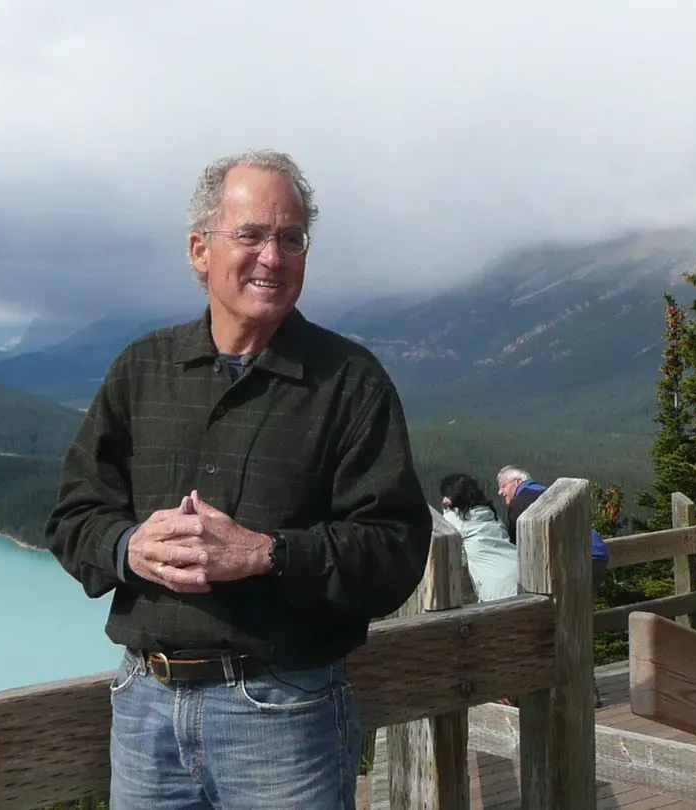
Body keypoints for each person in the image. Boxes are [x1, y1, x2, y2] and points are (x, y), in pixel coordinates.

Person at [44, 149, 434, 810]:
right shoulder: (143, 371)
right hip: (144, 707)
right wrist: (128, 547)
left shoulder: (349, 383)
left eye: (291, 238)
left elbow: (395, 550)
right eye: (250, 235)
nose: (273, 258)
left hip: (284, 712)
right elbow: (73, 516)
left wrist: (263, 554)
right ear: (200, 250)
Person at [495, 465, 609, 596]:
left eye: (503, 486)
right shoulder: (546, 492)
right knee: (583, 608)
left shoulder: (520, 503)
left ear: (518, 482)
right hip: (597, 553)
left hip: (575, 558)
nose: (500, 492)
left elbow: (517, 545)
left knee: (558, 610)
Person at [438, 473, 519, 602]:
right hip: (520, 574)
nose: (443, 500)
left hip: (498, 588)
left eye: (446, 495)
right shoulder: (489, 514)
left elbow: (437, 533)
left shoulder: (455, 520)